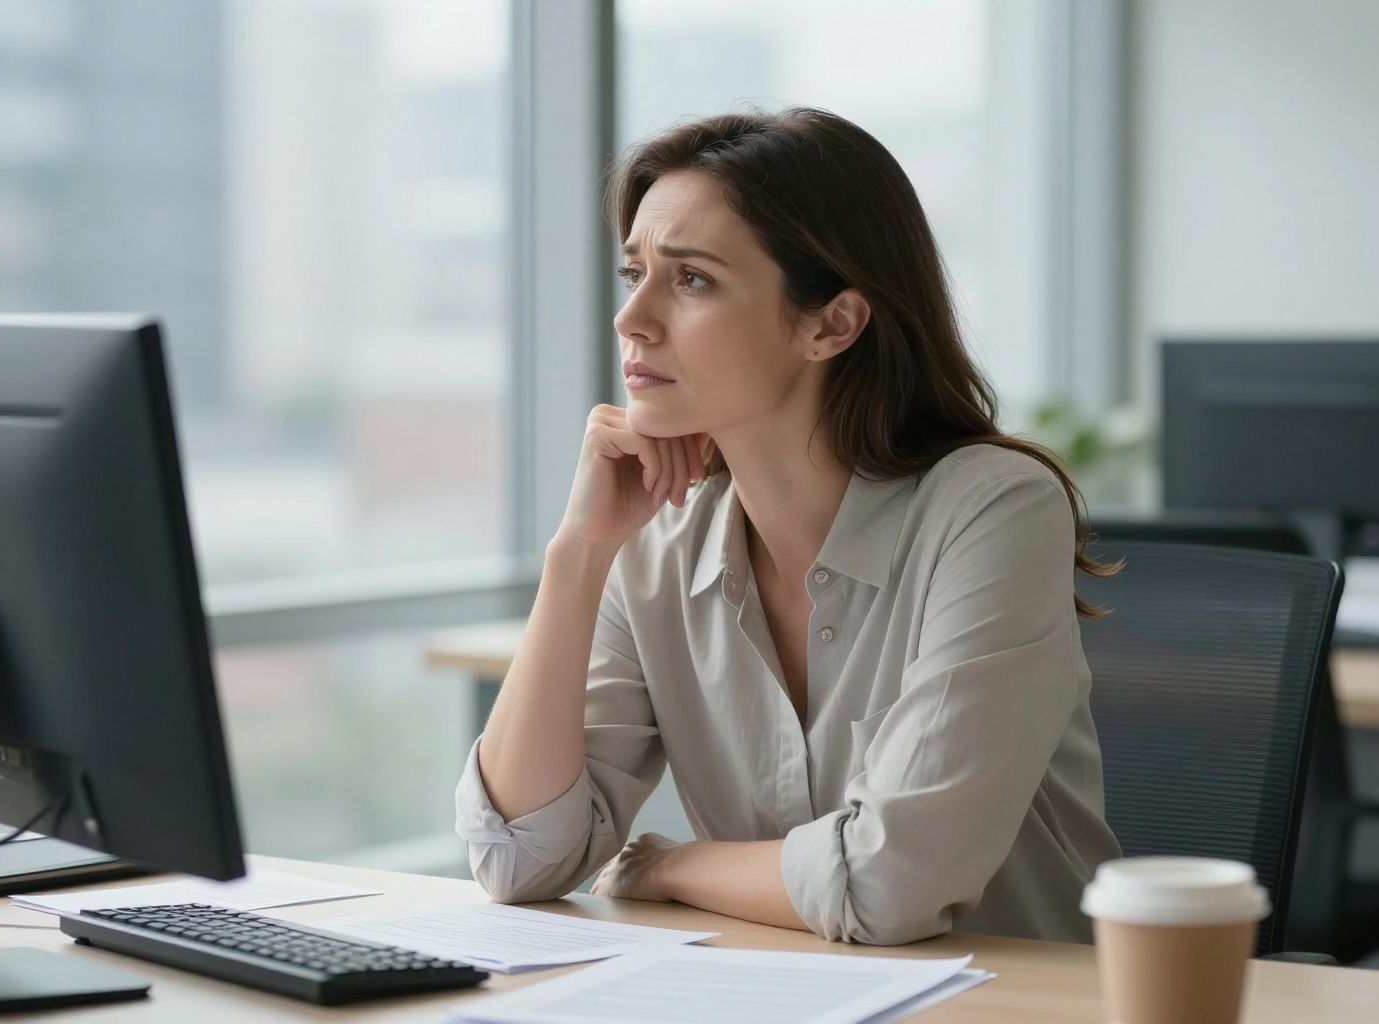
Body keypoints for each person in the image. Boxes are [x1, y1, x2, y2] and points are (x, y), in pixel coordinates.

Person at [454, 106, 1121, 946]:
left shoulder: (993, 509)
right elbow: (518, 859)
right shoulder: (657, 543)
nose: (633, 319)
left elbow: (890, 884)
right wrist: (579, 554)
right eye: (635, 275)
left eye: (691, 279)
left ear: (831, 323)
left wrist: (668, 866)